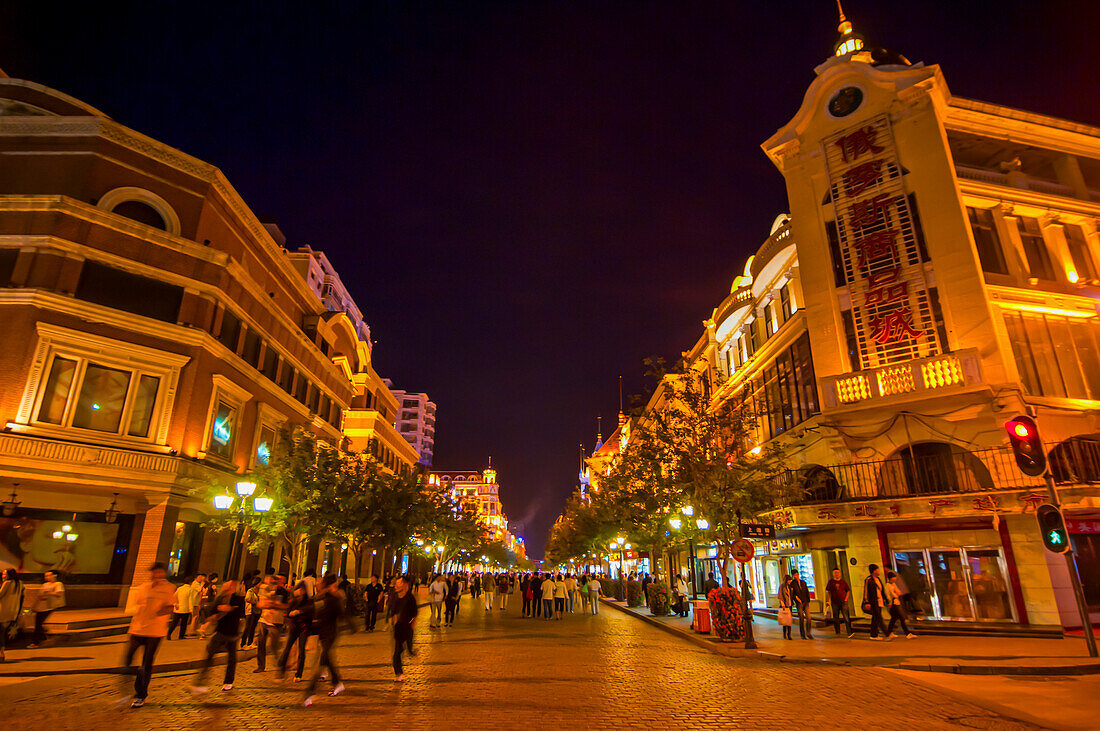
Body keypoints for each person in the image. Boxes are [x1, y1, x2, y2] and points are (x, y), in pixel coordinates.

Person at [120, 562, 175, 708]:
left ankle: (140, 694)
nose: (157, 575)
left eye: (160, 572)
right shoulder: (142, 588)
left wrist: (160, 612)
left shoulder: (169, 588)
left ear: (163, 573)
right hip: (137, 629)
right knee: (127, 660)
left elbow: (171, 606)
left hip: (155, 632)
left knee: (146, 664)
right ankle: (125, 688)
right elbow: (136, 606)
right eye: (154, 572)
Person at [189, 579, 244, 694]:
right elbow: (211, 612)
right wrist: (213, 617)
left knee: (232, 660)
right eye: (228, 586)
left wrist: (230, 609)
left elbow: (241, 613)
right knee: (209, 657)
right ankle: (201, 682)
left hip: (233, 634)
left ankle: (228, 682)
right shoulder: (220, 598)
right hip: (220, 632)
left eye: (232, 586)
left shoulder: (238, 599)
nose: (229, 588)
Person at [304, 575, 346, 706]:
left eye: (319, 582)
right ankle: (337, 682)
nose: (317, 584)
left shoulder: (332, 599)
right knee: (327, 660)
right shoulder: (320, 598)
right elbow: (312, 612)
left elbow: (342, 614)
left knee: (320, 663)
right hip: (322, 634)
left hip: (330, 634)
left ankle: (310, 693)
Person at [277, 581, 314, 682]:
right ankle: (281, 671)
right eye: (298, 592)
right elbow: (288, 612)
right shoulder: (293, 601)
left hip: (304, 628)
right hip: (294, 627)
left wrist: (299, 612)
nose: (300, 594)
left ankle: (299, 674)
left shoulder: (309, 601)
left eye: (302, 591)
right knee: (287, 648)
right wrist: (290, 614)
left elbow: (311, 611)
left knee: (301, 651)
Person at [254, 570, 289, 673]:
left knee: (274, 646)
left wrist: (271, 604)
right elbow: (260, 604)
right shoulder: (266, 590)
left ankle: (279, 664)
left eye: (279, 580)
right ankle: (261, 666)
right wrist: (269, 604)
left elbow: (284, 606)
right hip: (263, 619)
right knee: (260, 643)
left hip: (276, 621)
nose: (277, 582)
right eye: (275, 580)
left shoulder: (283, 592)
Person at [389, 575, 418, 682]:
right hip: (398, 629)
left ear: (405, 585)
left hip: (407, 628)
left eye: (399, 583)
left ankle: (411, 652)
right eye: (396, 583)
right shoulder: (395, 597)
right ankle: (399, 673)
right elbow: (393, 612)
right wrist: (392, 620)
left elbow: (415, 614)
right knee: (397, 652)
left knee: (407, 649)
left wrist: (411, 628)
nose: (396, 585)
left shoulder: (410, 598)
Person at [30, 570, 65, 647]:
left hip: (49, 606)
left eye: (49, 575)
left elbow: (60, 593)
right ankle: (43, 637)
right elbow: (39, 596)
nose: (47, 577)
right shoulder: (44, 585)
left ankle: (36, 642)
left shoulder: (58, 584)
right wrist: (34, 606)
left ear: (54, 576)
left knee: (38, 624)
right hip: (41, 606)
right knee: (38, 623)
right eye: (46, 576)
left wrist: (49, 593)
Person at [0, 568, 26, 662]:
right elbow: (23, 595)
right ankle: (2, 654)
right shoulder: (19, 583)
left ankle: (1, 654)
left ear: (9, 575)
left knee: (1, 633)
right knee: (2, 632)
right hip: (12, 612)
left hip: (2, 612)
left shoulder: (7, 583)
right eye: (2, 574)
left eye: (4, 574)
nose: (3, 576)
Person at [885, 571, 917, 639]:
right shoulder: (887, 585)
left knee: (894, 618)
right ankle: (907, 633)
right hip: (893, 603)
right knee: (902, 618)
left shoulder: (893, 584)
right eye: (893, 579)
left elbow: (899, 592)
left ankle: (889, 632)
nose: (894, 580)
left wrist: (896, 593)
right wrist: (890, 602)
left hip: (896, 602)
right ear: (889, 578)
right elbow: (888, 595)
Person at [862, 564, 889, 641]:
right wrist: (866, 602)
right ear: (874, 571)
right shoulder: (868, 580)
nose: (879, 571)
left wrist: (886, 600)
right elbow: (866, 591)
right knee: (878, 617)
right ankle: (887, 633)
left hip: (879, 601)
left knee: (875, 618)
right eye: (878, 569)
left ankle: (874, 635)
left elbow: (882, 590)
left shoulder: (878, 579)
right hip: (873, 602)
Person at [825, 568, 854, 638]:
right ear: (833, 574)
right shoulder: (831, 582)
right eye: (835, 572)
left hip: (843, 602)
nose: (836, 574)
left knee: (846, 617)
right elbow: (827, 592)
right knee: (836, 617)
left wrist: (846, 599)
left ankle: (849, 632)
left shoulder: (843, 582)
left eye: (838, 572)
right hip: (834, 602)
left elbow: (848, 590)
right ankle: (837, 631)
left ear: (840, 573)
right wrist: (828, 601)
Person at [168, 576, 194, 641]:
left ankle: (169, 634)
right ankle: (181, 636)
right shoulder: (190, 590)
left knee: (174, 623)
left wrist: (175, 604)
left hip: (177, 609)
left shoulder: (179, 588)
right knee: (183, 623)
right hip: (185, 609)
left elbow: (174, 597)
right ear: (190, 582)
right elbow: (190, 600)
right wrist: (191, 610)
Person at [789, 569, 813, 639]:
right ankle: (802, 634)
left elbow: (806, 591)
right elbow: (792, 594)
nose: (796, 576)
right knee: (801, 617)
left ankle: (808, 632)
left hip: (805, 601)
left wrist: (808, 600)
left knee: (808, 617)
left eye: (797, 575)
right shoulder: (792, 584)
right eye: (794, 575)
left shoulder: (803, 582)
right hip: (799, 602)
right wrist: (795, 599)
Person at [240, 576, 262, 649]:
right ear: (256, 583)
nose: (261, 584)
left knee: (253, 628)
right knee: (247, 627)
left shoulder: (260, 591)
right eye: (260, 583)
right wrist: (256, 603)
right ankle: (243, 644)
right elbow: (247, 599)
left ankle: (250, 643)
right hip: (250, 611)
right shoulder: (250, 591)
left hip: (257, 611)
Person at [778, 575, 794, 640]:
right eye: (789, 580)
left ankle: (789, 634)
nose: (790, 581)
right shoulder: (782, 587)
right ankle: (785, 633)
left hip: (790, 605)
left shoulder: (790, 587)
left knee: (789, 620)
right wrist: (782, 604)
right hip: (785, 605)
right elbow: (780, 596)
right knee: (785, 620)